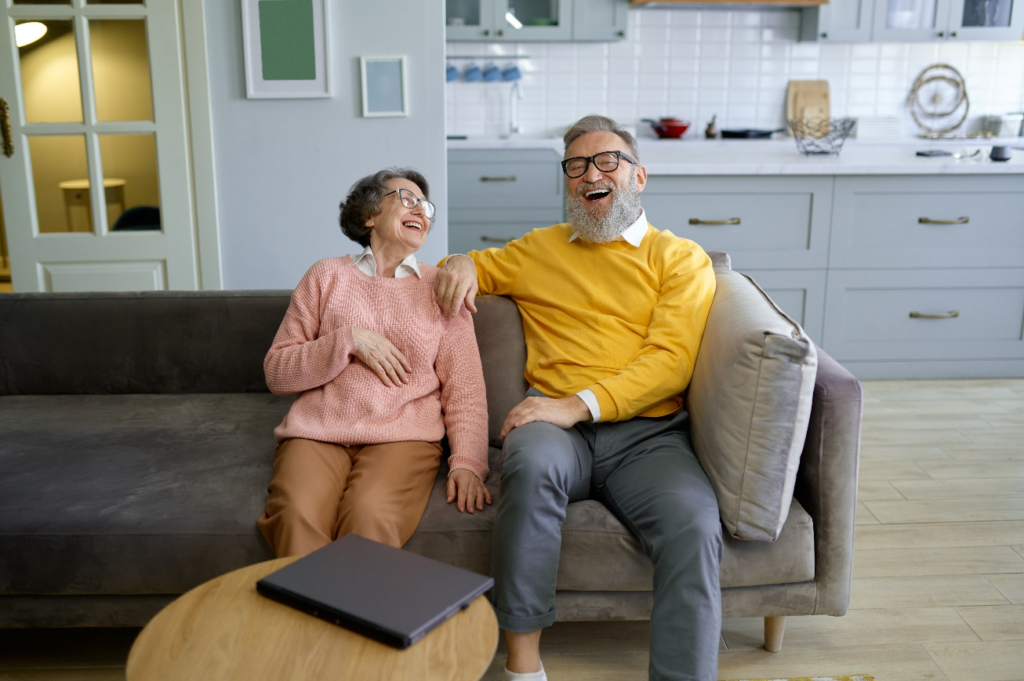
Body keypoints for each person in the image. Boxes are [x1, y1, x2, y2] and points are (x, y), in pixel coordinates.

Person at [435, 116, 720, 681]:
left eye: (607, 161)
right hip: (555, 430)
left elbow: (671, 364)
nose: (591, 173)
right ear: (568, 182)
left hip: (648, 436)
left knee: (693, 522)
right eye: (576, 165)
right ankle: (523, 668)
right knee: (530, 460)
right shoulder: (540, 249)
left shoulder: (680, 258)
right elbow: (468, 266)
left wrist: (576, 404)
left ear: (639, 175)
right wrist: (459, 262)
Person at [258, 168, 491, 558]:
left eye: (426, 204)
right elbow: (277, 371)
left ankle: (354, 618)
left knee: (369, 518)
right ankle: (306, 619)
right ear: (368, 216)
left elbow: (465, 387)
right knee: (295, 515)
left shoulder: (441, 286)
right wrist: (347, 340)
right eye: (406, 198)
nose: (422, 210)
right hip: (318, 432)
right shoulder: (325, 276)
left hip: (403, 437)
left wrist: (468, 462)